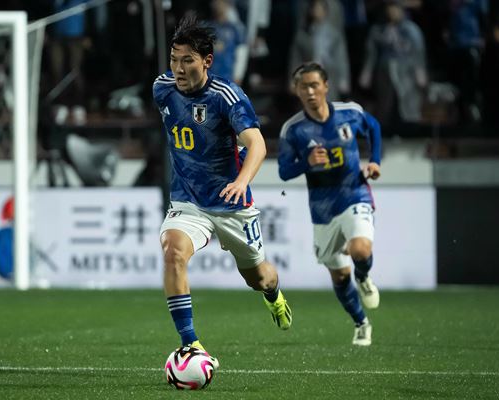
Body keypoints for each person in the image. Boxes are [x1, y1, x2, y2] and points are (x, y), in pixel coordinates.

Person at [152, 15, 292, 364]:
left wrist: (241, 181)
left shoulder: (226, 96)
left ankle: (274, 295)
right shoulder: (162, 88)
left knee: (258, 278)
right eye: (174, 59)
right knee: (173, 252)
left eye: (187, 60)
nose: (178, 69)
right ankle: (191, 344)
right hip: (188, 201)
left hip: (232, 203)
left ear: (207, 61)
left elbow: (257, 144)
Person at [278, 62, 381, 346]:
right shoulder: (293, 130)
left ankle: (364, 277)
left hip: (354, 193)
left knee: (360, 249)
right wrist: (306, 162)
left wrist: (374, 161)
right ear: (296, 91)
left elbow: (373, 126)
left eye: (314, 85)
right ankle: (361, 323)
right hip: (322, 210)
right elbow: (284, 171)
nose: (310, 91)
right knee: (339, 275)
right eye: (303, 87)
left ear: (326, 86)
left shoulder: (350, 113)